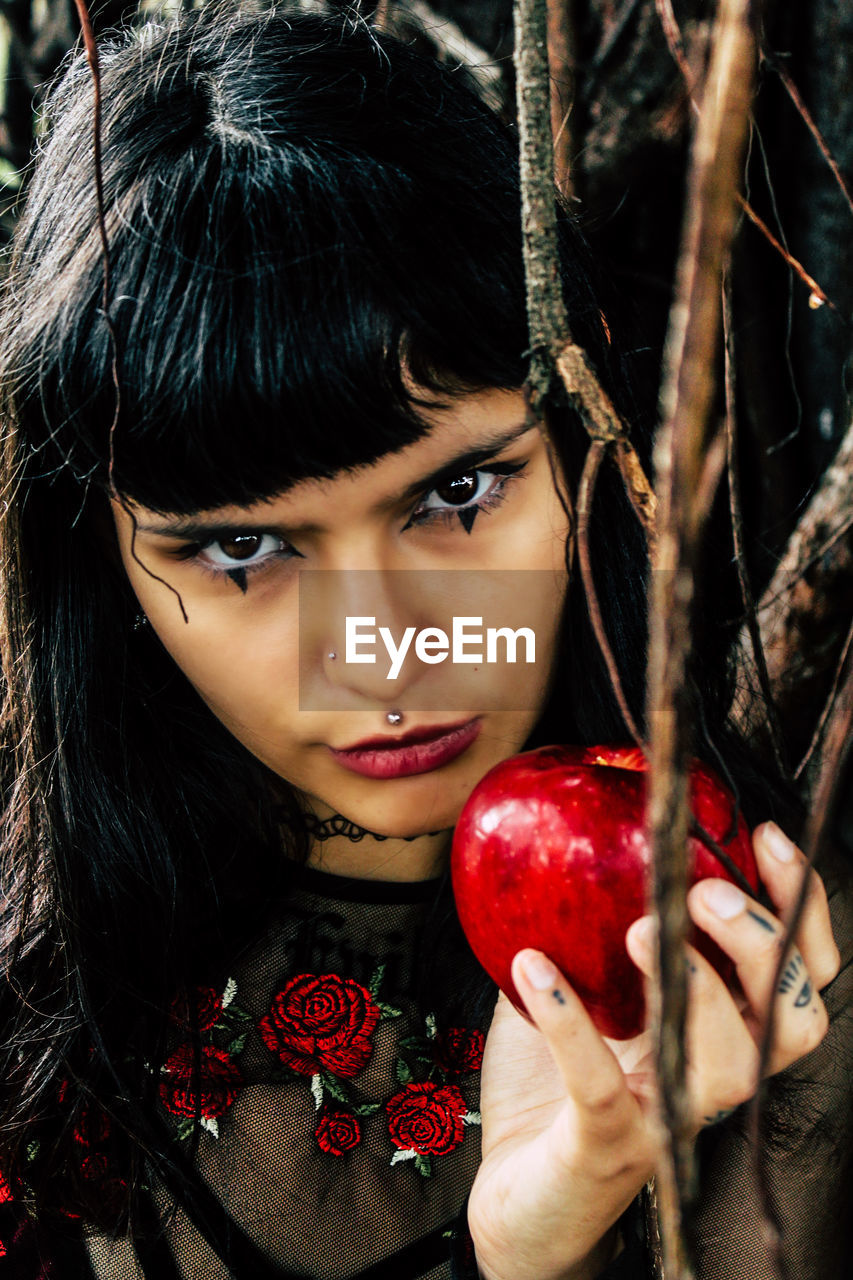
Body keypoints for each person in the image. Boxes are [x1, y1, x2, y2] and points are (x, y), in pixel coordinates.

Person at [0, 5, 849, 1278]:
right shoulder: (31, 1035)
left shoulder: (781, 985)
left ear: (579, 444)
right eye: (243, 551)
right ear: (103, 568)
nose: (385, 649)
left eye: (458, 497)